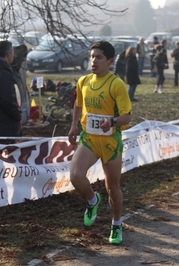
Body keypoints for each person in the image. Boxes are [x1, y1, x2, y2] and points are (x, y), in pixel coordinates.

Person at [68, 41, 132, 245]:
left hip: (110, 142)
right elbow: (78, 104)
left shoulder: (116, 85)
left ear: (110, 61)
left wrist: (111, 121)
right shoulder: (84, 81)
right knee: (76, 176)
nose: (93, 61)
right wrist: (73, 126)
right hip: (89, 139)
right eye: (92, 56)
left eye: (99, 57)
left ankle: (116, 223)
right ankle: (92, 199)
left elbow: (127, 117)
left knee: (112, 188)